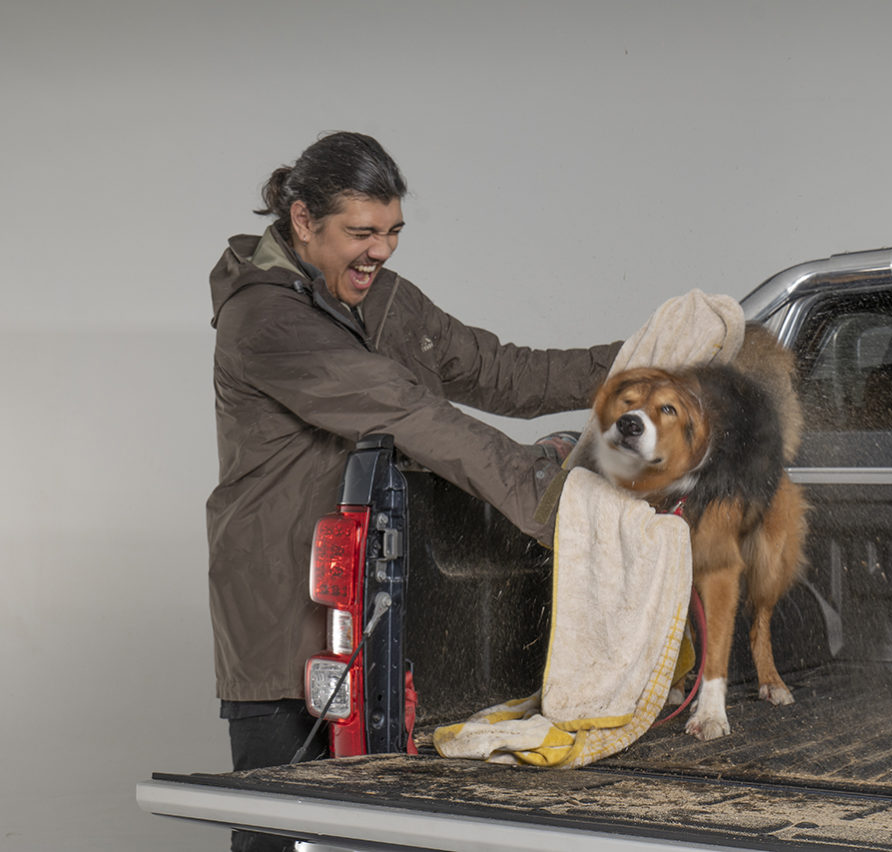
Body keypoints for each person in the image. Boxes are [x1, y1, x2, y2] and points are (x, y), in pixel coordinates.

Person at [206, 131, 620, 851]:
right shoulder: (263, 319)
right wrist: (554, 502)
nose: (381, 251)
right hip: (285, 624)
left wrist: (641, 361)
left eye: (393, 232)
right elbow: (402, 407)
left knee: (375, 831)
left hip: (381, 614)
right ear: (303, 220)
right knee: (285, 830)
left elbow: (501, 373)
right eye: (360, 233)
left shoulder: (385, 299)